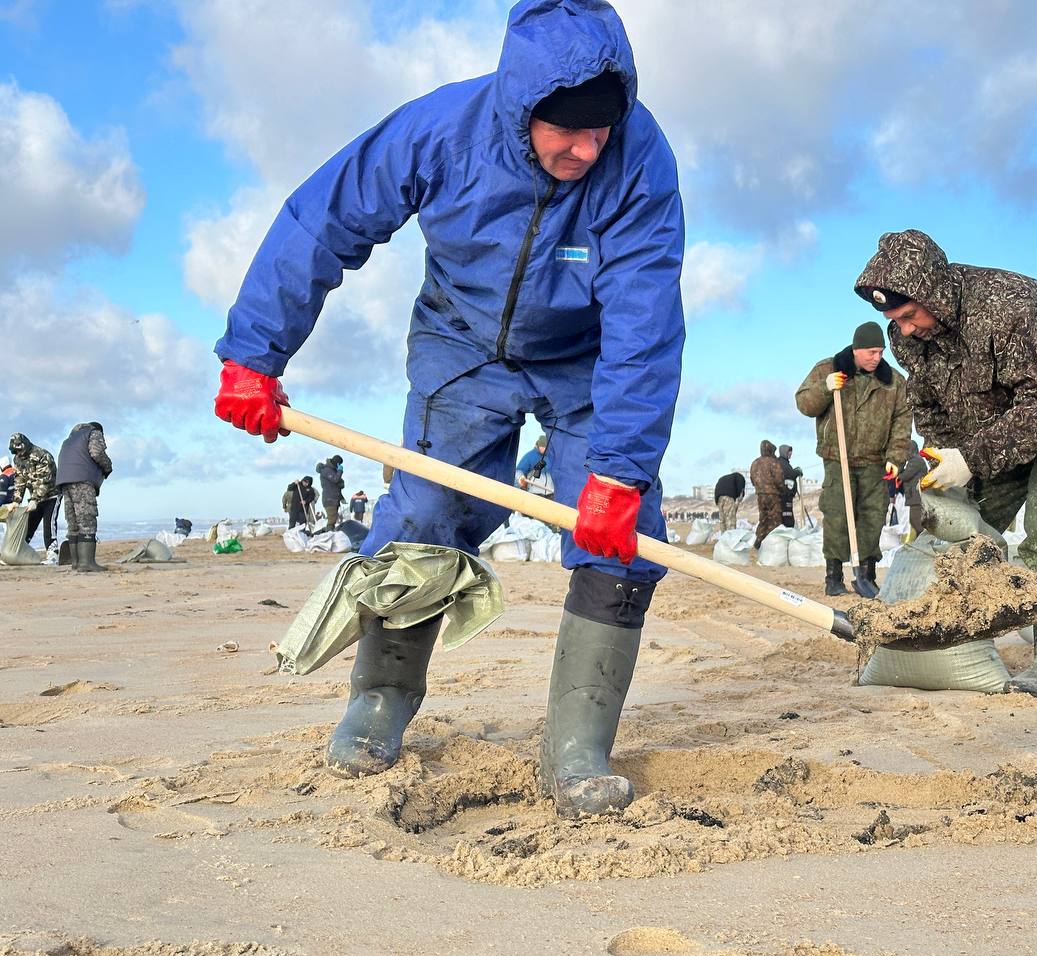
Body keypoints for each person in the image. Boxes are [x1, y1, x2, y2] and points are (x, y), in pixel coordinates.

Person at [211, 0, 684, 819]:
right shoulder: (442, 130)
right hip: (461, 343)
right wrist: (255, 355)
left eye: (599, 132)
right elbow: (321, 222)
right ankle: (381, 701)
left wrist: (619, 474)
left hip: (587, 358)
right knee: (425, 510)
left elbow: (646, 323)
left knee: (624, 535)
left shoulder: (640, 160)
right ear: (521, 107)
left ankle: (576, 748)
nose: (584, 150)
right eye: (565, 131)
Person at [855, 229, 1037, 697]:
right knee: (967, 525)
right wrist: (941, 460)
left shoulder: (1011, 305)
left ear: (932, 291)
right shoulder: (907, 335)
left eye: (910, 315)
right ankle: (951, 631)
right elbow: (931, 405)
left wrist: (970, 457)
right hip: (998, 432)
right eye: (896, 319)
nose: (905, 329)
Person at [795, 320, 911, 599]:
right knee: (837, 515)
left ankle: (866, 574)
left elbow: (902, 421)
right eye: (871, 352)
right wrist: (825, 388)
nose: (877, 358)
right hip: (838, 458)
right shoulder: (829, 369)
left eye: (881, 352)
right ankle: (833, 575)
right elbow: (804, 404)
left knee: (872, 517)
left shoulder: (893, 382)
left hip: (875, 461)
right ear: (857, 349)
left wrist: (896, 456)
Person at [56, 422, 113, 572]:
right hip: (82, 480)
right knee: (87, 519)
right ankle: (87, 563)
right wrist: (108, 466)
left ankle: (76, 563)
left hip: (64, 481)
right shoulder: (93, 432)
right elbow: (97, 453)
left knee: (73, 522)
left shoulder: (69, 440)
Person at [8, 433, 58, 551]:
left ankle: (53, 553)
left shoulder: (42, 455)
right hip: (35, 498)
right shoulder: (18, 459)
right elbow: (20, 480)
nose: (19, 454)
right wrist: (16, 500)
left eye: (20, 450)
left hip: (52, 494)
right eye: (16, 451)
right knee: (28, 524)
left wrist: (34, 499)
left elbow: (45, 480)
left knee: (49, 525)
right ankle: (19, 551)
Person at [748, 440, 785, 549]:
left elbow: (752, 479)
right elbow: (779, 480)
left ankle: (759, 541)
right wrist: (783, 489)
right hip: (773, 494)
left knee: (763, 518)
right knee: (775, 519)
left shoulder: (755, 463)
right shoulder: (773, 462)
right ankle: (772, 543)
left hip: (760, 494)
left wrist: (759, 488)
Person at [316, 455, 345, 531]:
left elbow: (336, 486)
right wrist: (340, 471)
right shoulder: (326, 470)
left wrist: (341, 497)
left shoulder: (333, 470)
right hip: (329, 499)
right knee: (332, 519)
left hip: (334, 498)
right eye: (340, 463)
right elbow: (335, 479)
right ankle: (328, 536)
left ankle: (329, 534)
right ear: (337, 462)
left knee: (333, 519)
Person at [777, 444, 803, 527]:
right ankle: (788, 528)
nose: (790, 454)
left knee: (787, 513)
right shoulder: (782, 463)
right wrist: (797, 472)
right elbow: (789, 474)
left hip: (786, 494)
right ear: (784, 452)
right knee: (786, 514)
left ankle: (788, 527)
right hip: (784, 495)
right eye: (789, 452)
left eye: (791, 452)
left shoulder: (785, 463)